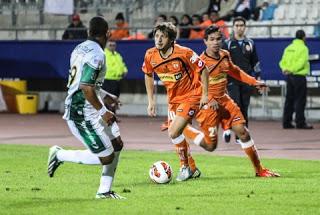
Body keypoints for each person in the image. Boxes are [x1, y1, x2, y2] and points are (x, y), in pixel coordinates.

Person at [185, 25, 280, 177]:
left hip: (225, 100)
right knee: (210, 146)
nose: (216, 42)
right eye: (212, 40)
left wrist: (254, 82)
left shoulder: (224, 55)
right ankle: (184, 128)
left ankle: (259, 170)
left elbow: (235, 71)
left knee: (243, 132)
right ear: (205, 42)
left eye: (218, 39)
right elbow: (194, 85)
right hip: (208, 106)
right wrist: (209, 98)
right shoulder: (200, 62)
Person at [47, 16, 125, 199]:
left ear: (89, 32)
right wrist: (104, 111)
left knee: (117, 144)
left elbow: (86, 82)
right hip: (81, 112)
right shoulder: (97, 54)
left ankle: (104, 191)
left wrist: (106, 95)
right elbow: (86, 87)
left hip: (90, 105)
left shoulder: (79, 48)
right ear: (108, 33)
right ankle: (59, 155)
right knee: (107, 156)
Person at [142, 22, 210, 181]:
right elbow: (148, 74)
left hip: (192, 94)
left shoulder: (184, 53)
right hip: (173, 100)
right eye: (156, 36)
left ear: (171, 39)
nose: (158, 40)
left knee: (173, 131)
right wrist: (151, 101)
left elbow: (203, 68)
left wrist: (205, 94)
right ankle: (192, 167)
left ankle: (184, 167)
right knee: (174, 135)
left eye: (163, 37)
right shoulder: (150, 55)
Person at [222, 16, 261, 143]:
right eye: (237, 25)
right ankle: (227, 128)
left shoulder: (250, 43)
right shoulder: (227, 43)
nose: (239, 28)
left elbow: (255, 62)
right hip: (232, 80)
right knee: (236, 105)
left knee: (244, 107)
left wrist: (258, 78)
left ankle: (242, 134)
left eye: (241, 25)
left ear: (245, 27)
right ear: (233, 27)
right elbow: (222, 63)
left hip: (246, 80)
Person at [279, 30, 313, 129]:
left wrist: (285, 69)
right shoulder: (304, 48)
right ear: (303, 37)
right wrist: (292, 70)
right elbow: (301, 63)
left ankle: (286, 122)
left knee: (289, 99)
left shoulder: (288, 48)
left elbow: (282, 61)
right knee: (300, 100)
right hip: (299, 76)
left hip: (289, 77)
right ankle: (300, 122)